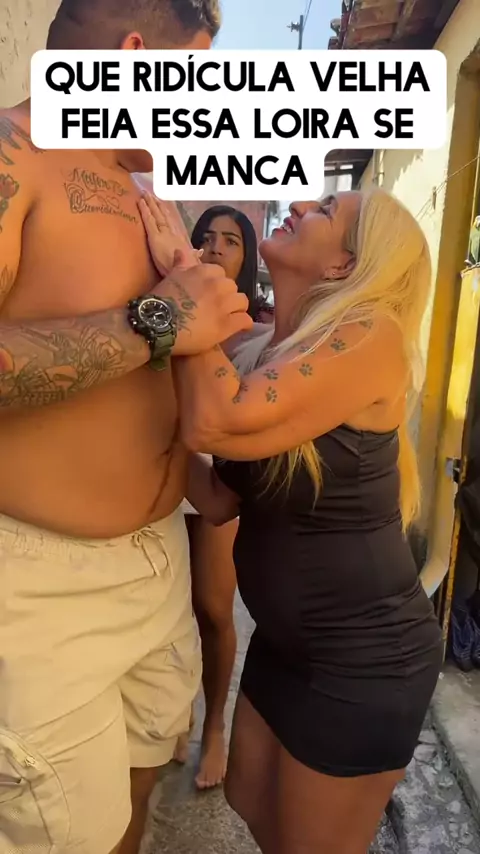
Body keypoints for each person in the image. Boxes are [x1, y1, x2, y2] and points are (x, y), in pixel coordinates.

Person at [0, 4, 251, 854]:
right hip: (43, 592)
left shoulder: (149, 192)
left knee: (139, 793)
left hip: (160, 562)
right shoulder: (14, 156)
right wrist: (158, 321)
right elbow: (159, 331)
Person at [141, 188, 444, 853]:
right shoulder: (266, 348)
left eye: (326, 210)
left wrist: (184, 280)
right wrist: (145, 422)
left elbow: (215, 419)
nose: (301, 205)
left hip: (364, 659)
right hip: (285, 647)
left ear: (343, 264)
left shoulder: (373, 335)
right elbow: (218, 500)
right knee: (249, 797)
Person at [178, 205, 259, 788]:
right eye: (206, 238)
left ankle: (214, 729)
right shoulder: (168, 312)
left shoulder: (252, 335)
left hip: (218, 483)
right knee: (168, 607)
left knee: (211, 609)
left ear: (246, 258)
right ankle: (174, 713)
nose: (214, 247)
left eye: (230, 240)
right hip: (165, 474)